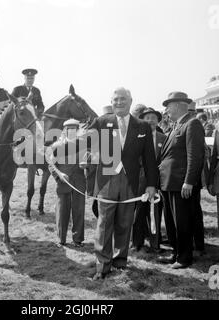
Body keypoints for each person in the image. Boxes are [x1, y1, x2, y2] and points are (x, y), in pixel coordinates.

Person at [82, 87, 158, 280]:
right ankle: (102, 265)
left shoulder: (142, 127)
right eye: (115, 99)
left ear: (131, 101)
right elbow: (84, 142)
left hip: (131, 183)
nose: (118, 102)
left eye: (122, 99)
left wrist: (151, 185)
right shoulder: (101, 122)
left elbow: (149, 159)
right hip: (107, 181)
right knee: (104, 223)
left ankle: (120, 261)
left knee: (125, 223)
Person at [158, 92, 205, 269]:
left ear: (177, 105)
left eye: (168, 106)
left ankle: (184, 257)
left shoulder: (192, 124)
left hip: (181, 184)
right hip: (169, 182)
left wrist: (189, 181)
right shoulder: (176, 125)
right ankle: (176, 252)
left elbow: (195, 156)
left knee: (183, 222)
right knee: (171, 222)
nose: (166, 110)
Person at [47, 119, 86, 248]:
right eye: (69, 129)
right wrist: (59, 175)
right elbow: (51, 164)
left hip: (79, 182)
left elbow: (90, 160)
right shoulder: (58, 146)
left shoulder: (83, 145)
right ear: (65, 131)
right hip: (64, 182)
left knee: (79, 210)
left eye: (75, 129)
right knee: (62, 210)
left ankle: (78, 239)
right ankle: (61, 239)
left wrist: (87, 165)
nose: (72, 131)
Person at [132, 108, 166, 252]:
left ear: (158, 121)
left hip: (159, 180)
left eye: (153, 117)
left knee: (156, 211)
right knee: (138, 212)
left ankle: (155, 243)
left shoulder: (163, 138)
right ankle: (136, 243)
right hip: (140, 179)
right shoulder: (136, 137)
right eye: (147, 118)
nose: (150, 120)